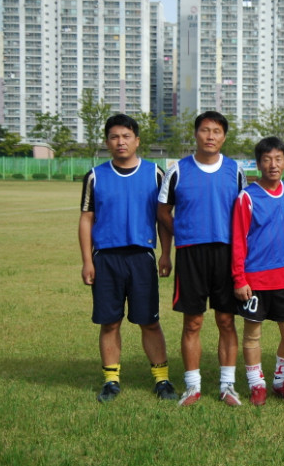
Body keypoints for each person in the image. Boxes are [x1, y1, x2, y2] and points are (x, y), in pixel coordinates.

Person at [78, 114, 177, 403]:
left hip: (141, 257)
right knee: (110, 322)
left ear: (137, 140)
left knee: (149, 322)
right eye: (114, 137)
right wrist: (87, 261)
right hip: (106, 258)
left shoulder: (154, 173)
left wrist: (166, 254)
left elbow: (163, 218)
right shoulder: (95, 176)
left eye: (126, 136)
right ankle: (111, 381)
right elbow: (86, 219)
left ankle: (162, 380)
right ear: (107, 142)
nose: (120, 142)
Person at [157, 111, 247, 407]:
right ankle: (193, 386)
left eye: (217, 131)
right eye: (205, 130)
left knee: (226, 320)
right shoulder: (178, 171)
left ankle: (227, 386)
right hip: (190, 254)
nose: (210, 136)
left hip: (226, 253)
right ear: (196, 134)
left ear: (224, 137)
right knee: (193, 322)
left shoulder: (235, 171)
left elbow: (245, 214)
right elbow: (162, 211)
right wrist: (180, 236)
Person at [231, 137, 284, 406]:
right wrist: (239, 278)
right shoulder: (247, 196)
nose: (273, 165)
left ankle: (281, 382)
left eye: (278, 159)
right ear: (259, 164)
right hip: (255, 279)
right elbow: (238, 240)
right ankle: (257, 385)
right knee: (253, 334)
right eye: (267, 159)